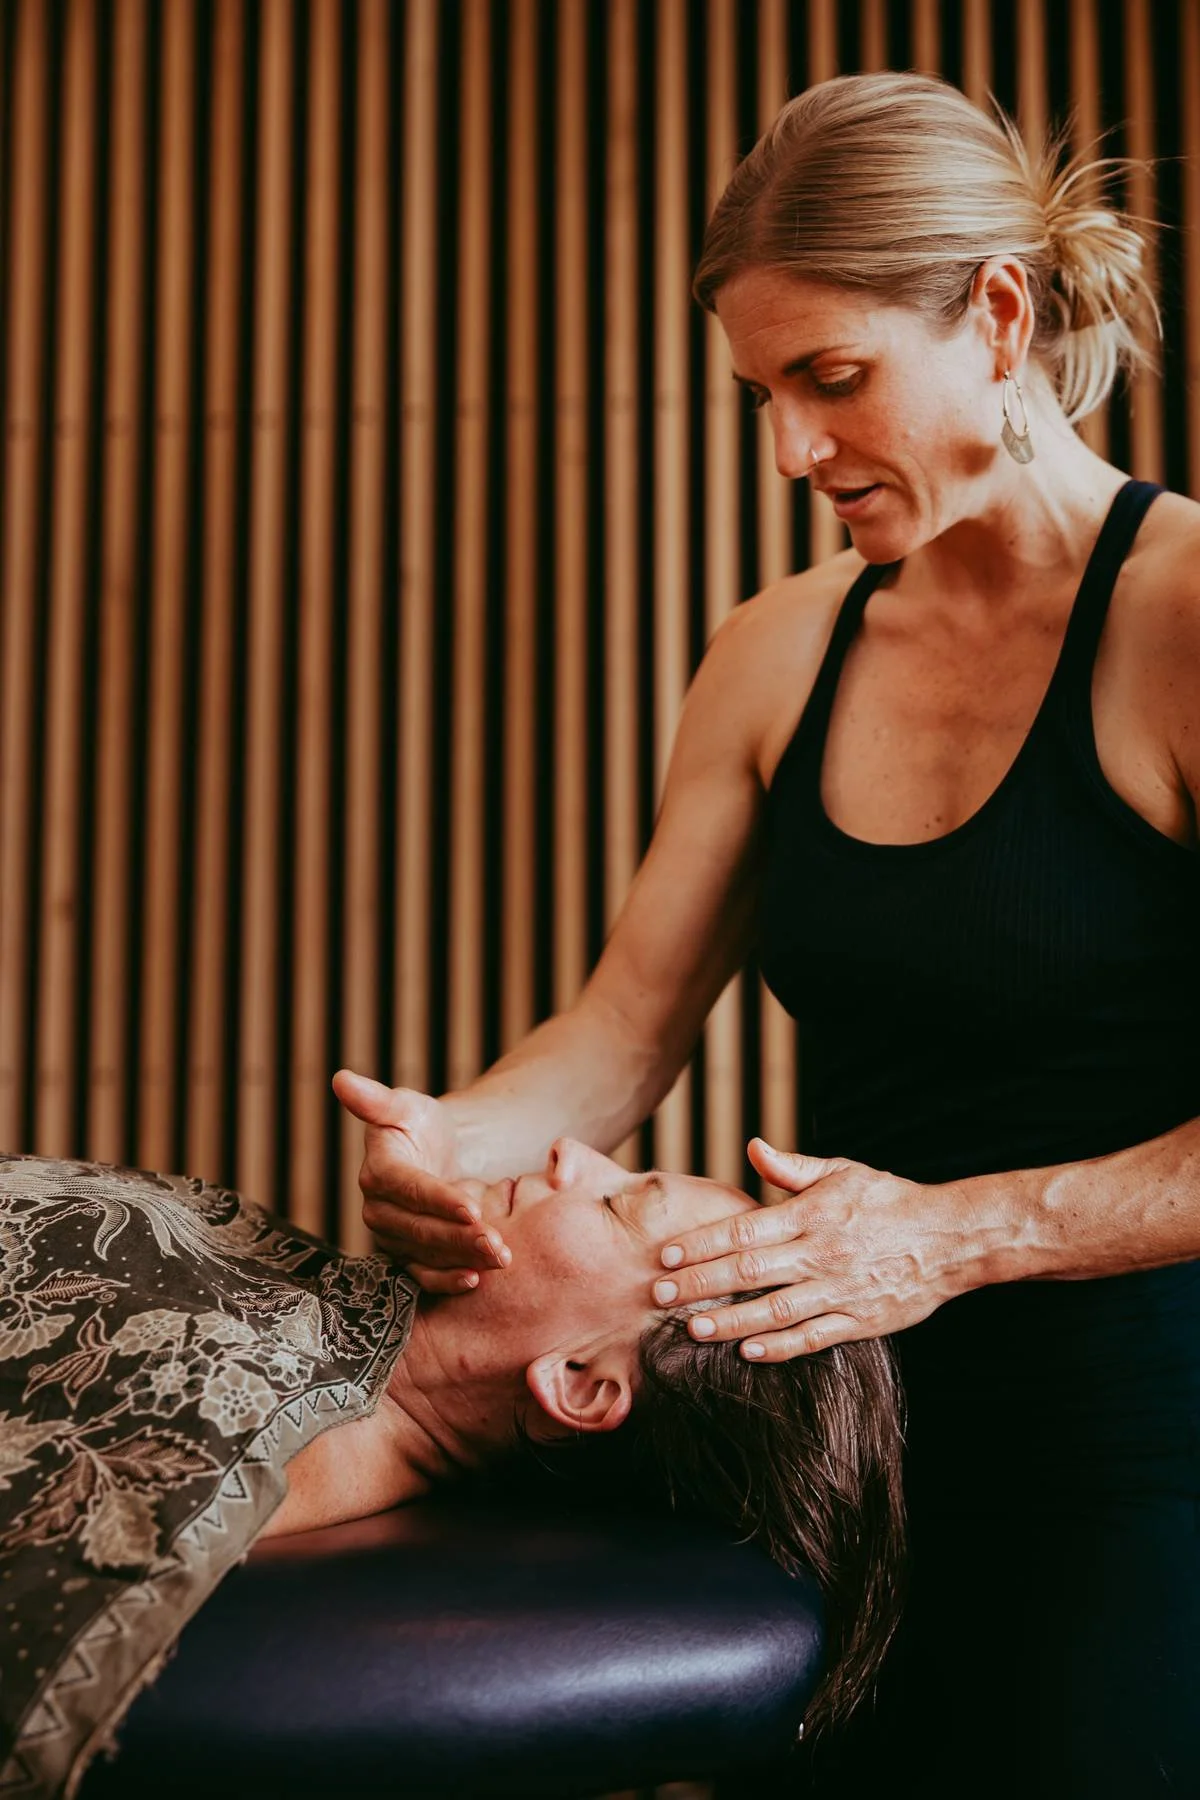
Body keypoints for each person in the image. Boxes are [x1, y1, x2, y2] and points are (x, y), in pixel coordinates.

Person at [338, 69, 1200, 1797]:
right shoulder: (773, 648)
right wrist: (463, 1148)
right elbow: (621, 1034)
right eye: (764, 394)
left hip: (1147, 1460)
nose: (795, 451)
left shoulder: (1180, 622)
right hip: (817, 1469)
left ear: (1002, 317)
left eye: (834, 380)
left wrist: (958, 1236)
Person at [0, 1140, 903, 1798]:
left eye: (617, 1205)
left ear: (583, 1385)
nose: (572, 1153)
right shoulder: (326, 1301)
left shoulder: (223, 1446)